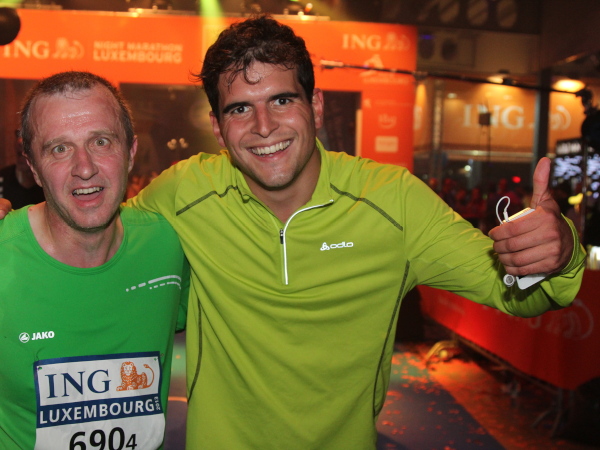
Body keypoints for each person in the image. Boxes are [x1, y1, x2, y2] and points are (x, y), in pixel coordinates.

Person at [0, 17, 586, 449]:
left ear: (316, 106)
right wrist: (13, 222)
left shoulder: (394, 201)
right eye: (239, 108)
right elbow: (92, 230)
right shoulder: (186, 194)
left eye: (281, 99)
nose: (264, 126)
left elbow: (520, 292)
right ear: (218, 128)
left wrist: (556, 253)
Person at [0, 71, 189, 449]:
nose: (84, 168)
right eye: (59, 149)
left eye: (101, 142)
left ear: (131, 152)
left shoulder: (169, 244)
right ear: (33, 167)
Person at [0, 129, 45, 209]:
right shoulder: (2, 179)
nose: (20, 141)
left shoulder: (50, 184)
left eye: (28, 136)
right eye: (18, 135)